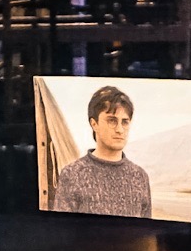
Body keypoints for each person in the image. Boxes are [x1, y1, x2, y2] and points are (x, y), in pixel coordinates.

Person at [51, 84, 153, 218]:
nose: (119, 129)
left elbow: (146, 228)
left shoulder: (140, 177)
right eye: (112, 121)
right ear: (94, 124)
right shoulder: (72, 174)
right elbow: (61, 228)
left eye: (125, 122)